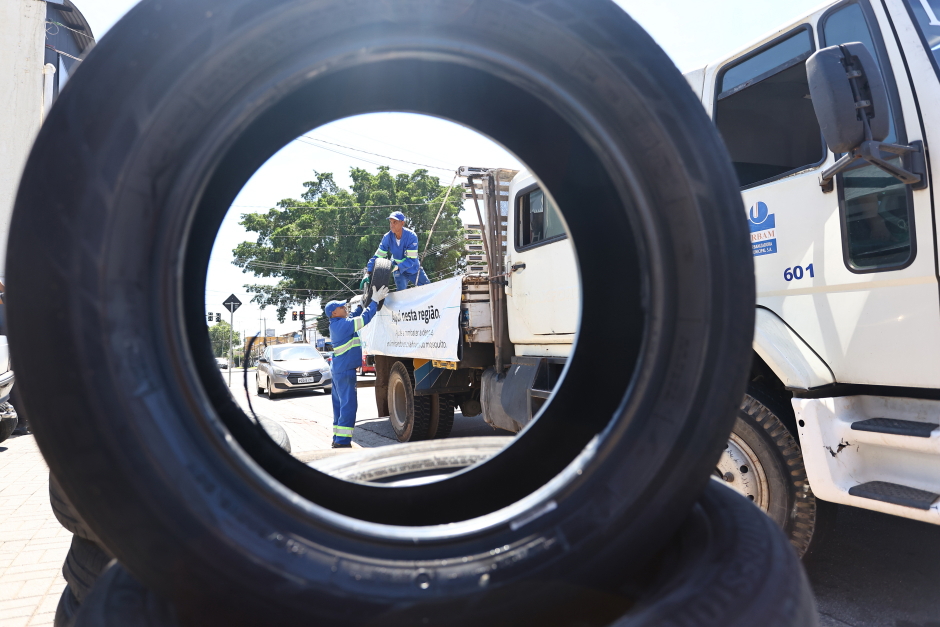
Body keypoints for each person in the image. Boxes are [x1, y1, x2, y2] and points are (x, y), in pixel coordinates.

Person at [324, 285, 389, 448]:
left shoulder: (338, 323)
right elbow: (364, 319)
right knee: (348, 406)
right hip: (345, 371)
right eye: (341, 307)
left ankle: (337, 439)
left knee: (339, 406)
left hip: (340, 370)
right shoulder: (342, 326)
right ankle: (343, 441)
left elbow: (354, 314)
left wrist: (362, 303)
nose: (344, 307)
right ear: (334, 313)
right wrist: (374, 301)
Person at [366, 211, 430, 291]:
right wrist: (368, 272)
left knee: (428, 289)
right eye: (390, 222)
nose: (392, 225)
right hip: (398, 271)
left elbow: (411, 260)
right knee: (401, 293)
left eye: (395, 222)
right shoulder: (387, 237)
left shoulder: (411, 236)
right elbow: (378, 256)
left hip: (413, 268)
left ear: (402, 223)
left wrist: (397, 267)